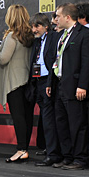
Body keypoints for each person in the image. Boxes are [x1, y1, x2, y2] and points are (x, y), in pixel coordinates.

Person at [50, 3, 89, 169]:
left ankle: (81, 158)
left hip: (76, 86)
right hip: (60, 84)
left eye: (58, 16)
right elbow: (57, 60)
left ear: (67, 17)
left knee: (78, 124)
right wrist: (51, 82)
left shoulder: (86, 34)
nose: (55, 20)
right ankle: (68, 156)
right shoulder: (61, 35)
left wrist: (83, 85)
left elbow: (88, 62)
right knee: (61, 123)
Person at [0, 5, 34, 163]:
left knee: (19, 117)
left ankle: (21, 149)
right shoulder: (30, 35)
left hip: (14, 82)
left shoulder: (12, 36)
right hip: (27, 81)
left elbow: (3, 59)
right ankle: (25, 149)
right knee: (26, 117)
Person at [31, 13, 62, 167]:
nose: (34, 30)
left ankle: (53, 154)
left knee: (50, 121)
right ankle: (51, 152)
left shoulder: (53, 38)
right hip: (38, 82)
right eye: (32, 26)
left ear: (46, 26)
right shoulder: (37, 42)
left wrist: (50, 82)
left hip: (50, 82)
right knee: (46, 120)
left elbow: (54, 61)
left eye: (37, 26)